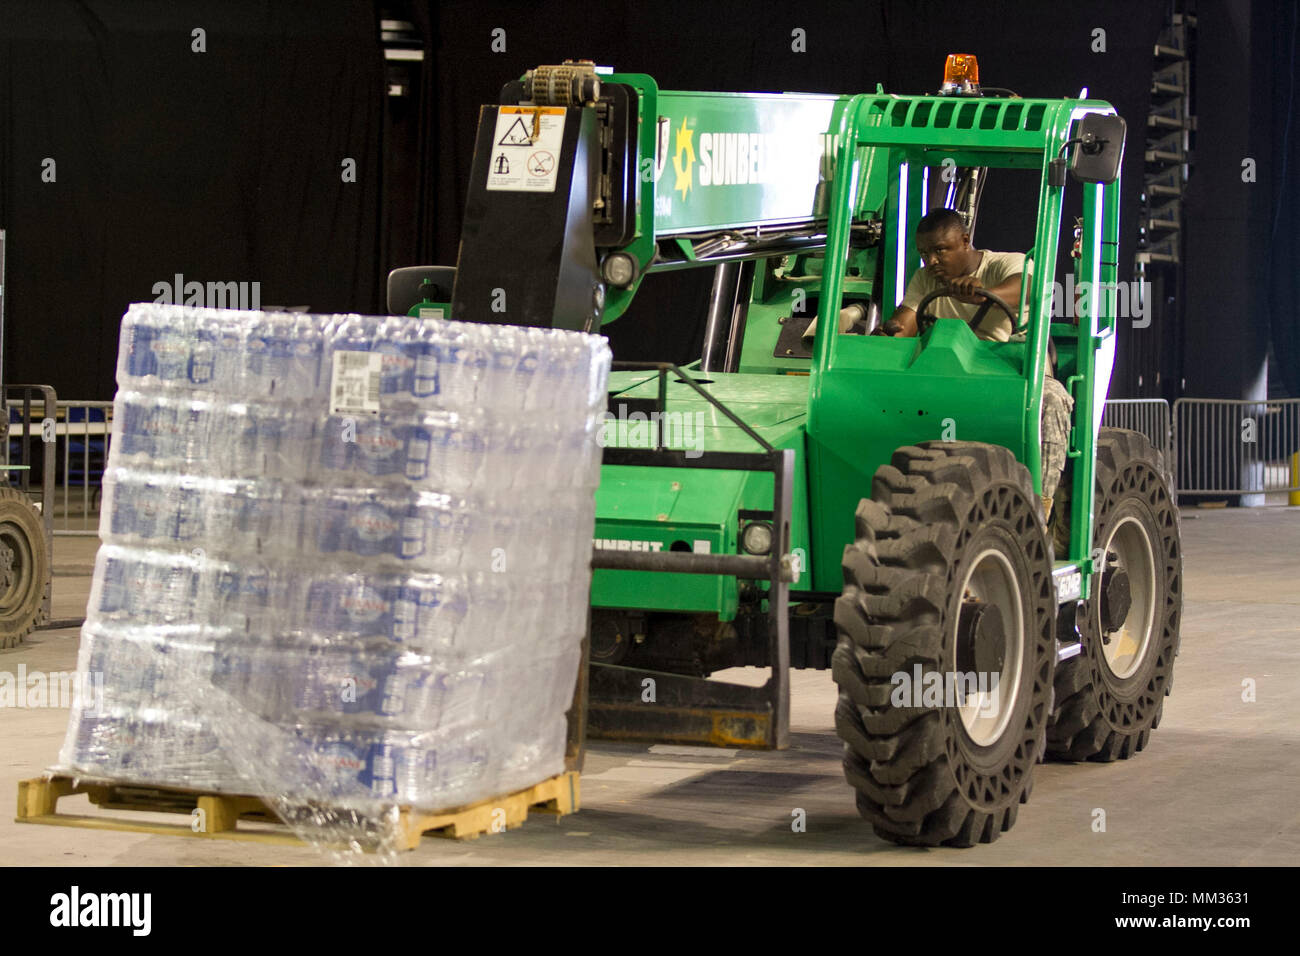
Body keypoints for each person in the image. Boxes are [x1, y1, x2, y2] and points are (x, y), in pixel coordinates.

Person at [888, 208, 1074, 529]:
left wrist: (984, 295)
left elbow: (1028, 288)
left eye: (939, 251)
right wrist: (887, 330)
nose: (931, 261)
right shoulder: (924, 278)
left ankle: (1038, 510)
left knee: (1050, 399)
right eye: (924, 253)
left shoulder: (1007, 263)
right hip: (955, 375)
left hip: (1012, 373)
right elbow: (905, 321)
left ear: (964, 241)